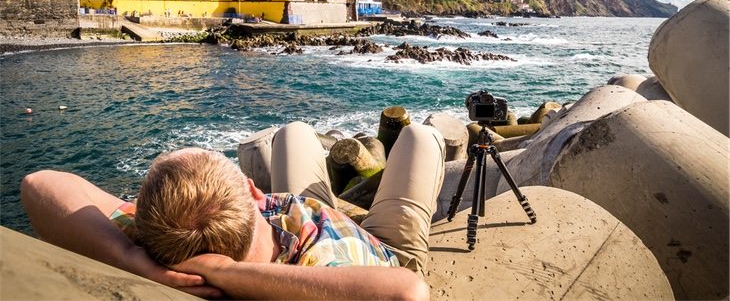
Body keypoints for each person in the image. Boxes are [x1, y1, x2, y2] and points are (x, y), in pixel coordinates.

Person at [21, 121, 445, 300]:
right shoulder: (322, 274)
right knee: (420, 136)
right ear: (251, 190)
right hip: (383, 250)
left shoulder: (158, 241)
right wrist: (225, 271)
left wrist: (133, 260)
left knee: (294, 133)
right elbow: (405, 292)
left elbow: (39, 183)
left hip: (290, 218)